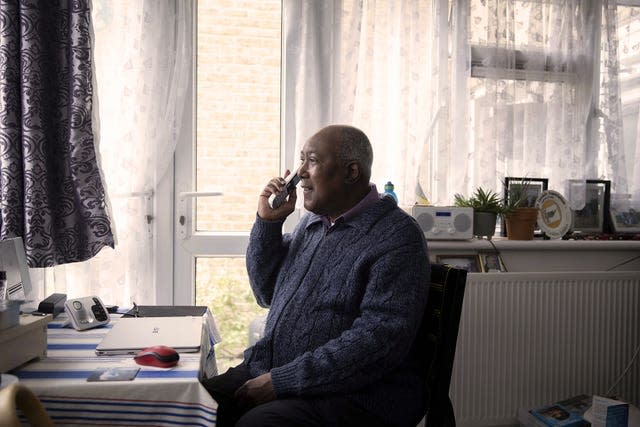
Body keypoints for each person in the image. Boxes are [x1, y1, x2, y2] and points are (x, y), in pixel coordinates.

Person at [202, 124, 431, 427]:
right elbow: (265, 293)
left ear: (351, 172)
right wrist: (267, 224)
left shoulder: (396, 236)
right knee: (187, 401)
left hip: (357, 394)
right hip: (276, 373)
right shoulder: (311, 224)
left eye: (312, 161)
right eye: (301, 160)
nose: (300, 173)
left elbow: (378, 341)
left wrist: (282, 381)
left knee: (256, 424)